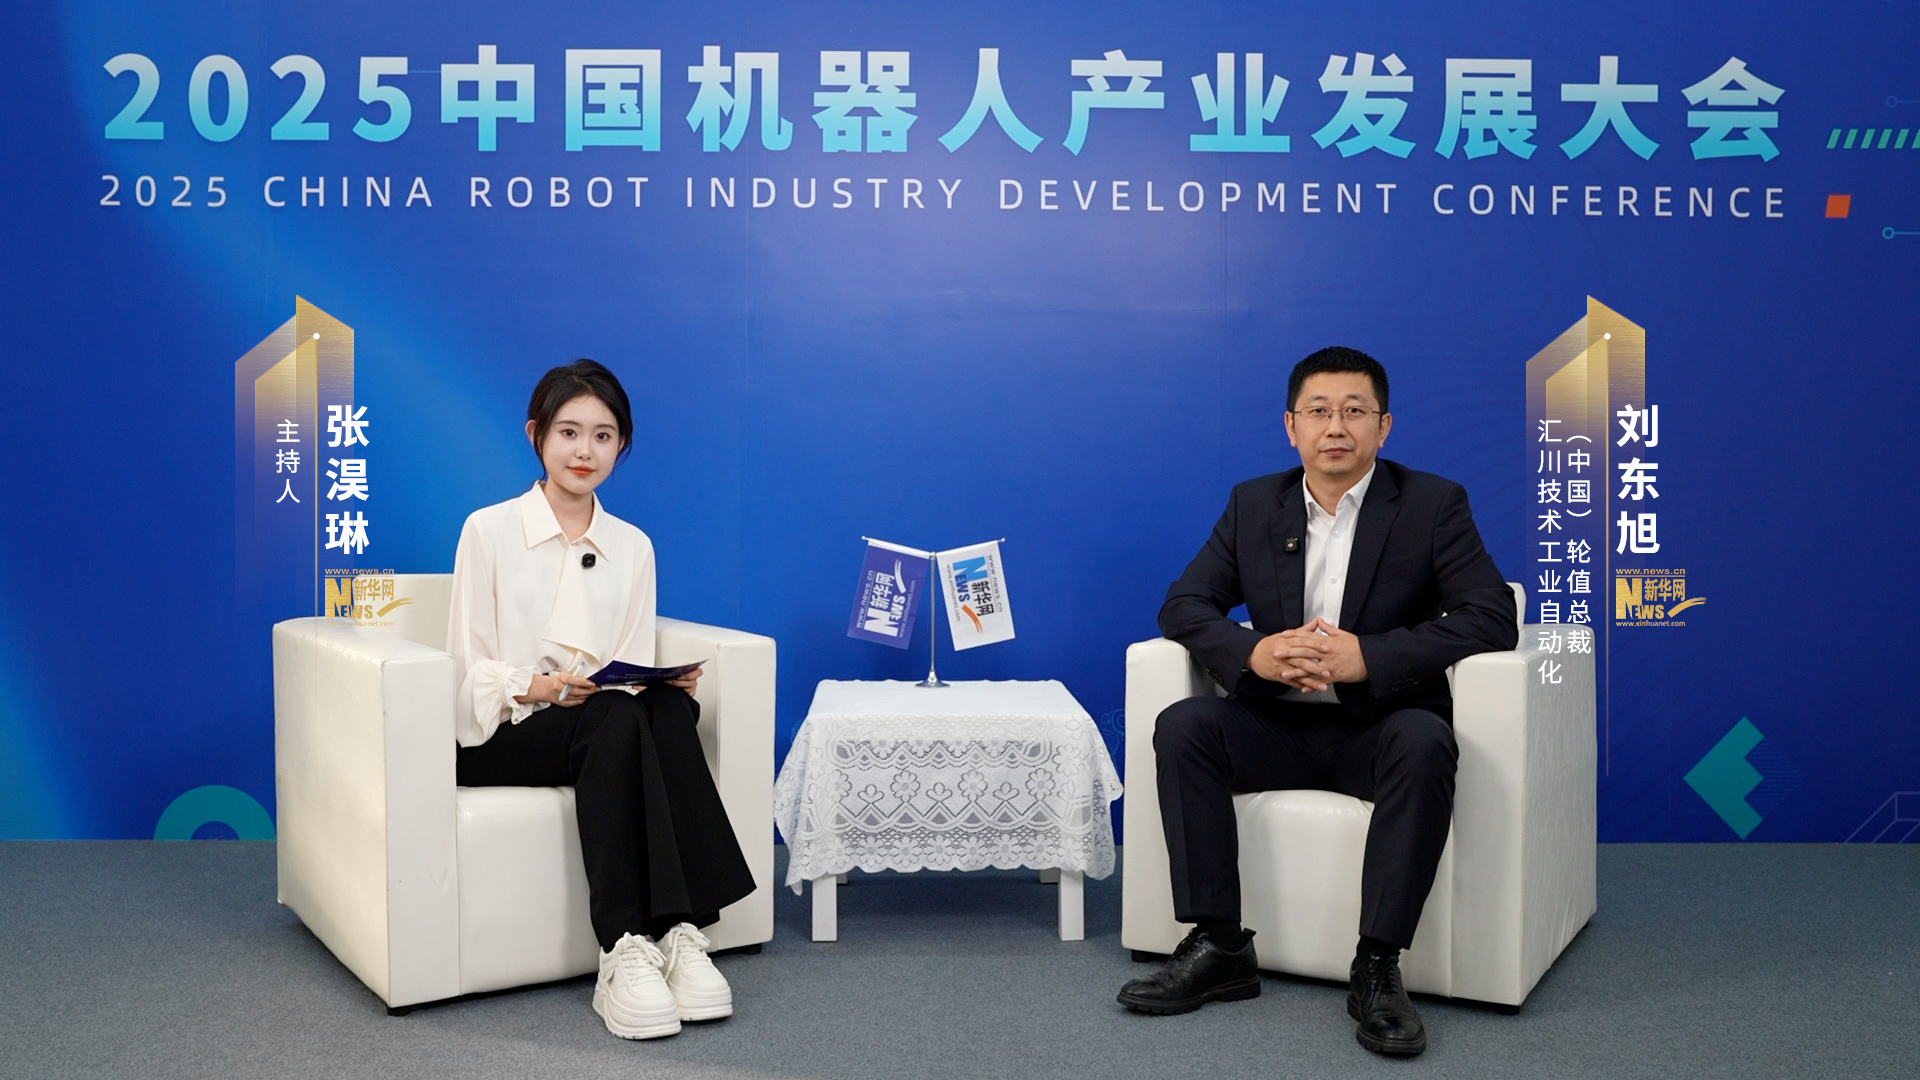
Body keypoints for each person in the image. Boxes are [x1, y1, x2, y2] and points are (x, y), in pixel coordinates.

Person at [1117, 347, 1517, 1057]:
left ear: (1383, 427)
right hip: (1277, 724)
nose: (1336, 427)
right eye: (1319, 411)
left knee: (1425, 741)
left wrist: (1372, 656)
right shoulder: (1253, 504)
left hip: (1380, 728)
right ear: (1291, 426)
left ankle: (1378, 966)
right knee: (1186, 725)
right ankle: (1219, 944)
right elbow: (1184, 604)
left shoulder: (1431, 504)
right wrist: (1253, 652)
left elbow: (1492, 615)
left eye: (1354, 411)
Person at [447, 359, 757, 1041]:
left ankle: (677, 934)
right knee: (614, 713)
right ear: (536, 434)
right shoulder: (488, 530)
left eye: (603, 436)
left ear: (622, 446)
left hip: (599, 724)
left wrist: (657, 680)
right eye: (568, 432)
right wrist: (542, 686)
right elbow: (467, 671)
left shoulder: (633, 546)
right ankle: (621, 945)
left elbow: (627, 665)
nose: (584, 451)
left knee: (665, 708)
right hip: (504, 732)